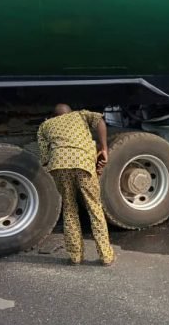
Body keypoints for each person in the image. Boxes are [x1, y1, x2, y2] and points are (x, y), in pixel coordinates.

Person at [37, 104, 114, 266]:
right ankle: (106, 256)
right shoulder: (80, 115)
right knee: (94, 207)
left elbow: (44, 156)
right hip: (83, 163)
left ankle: (75, 256)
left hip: (59, 166)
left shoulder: (45, 126)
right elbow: (100, 120)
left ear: (53, 116)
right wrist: (104, 148)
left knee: (69, 209)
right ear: (70, 112)